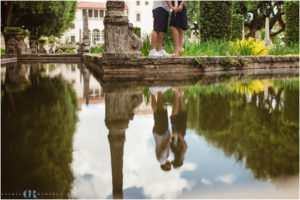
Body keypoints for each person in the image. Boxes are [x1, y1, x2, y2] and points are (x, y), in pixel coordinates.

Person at [150, 87, 172, 171]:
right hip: (159, 134)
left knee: (158, 113)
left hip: (161, 134)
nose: (170, 166)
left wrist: (169, 139)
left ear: (165, 167)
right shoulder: (161, 160)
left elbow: (164, 148)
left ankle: (154, 92)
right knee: (159, 113)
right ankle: (157, 92)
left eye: (169, 167)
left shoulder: (162, 161)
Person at [170, 87, 187, 168]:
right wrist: (180, 136)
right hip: (180, 133)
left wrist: (172, 135)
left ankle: (178, 93)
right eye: (174, 162)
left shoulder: (174, 151)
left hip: (175, 133)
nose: (172, 161)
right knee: (176, 114)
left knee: (176, 114)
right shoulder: (181, 154)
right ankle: (177, 93)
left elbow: (171, 141)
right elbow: (185, 146)